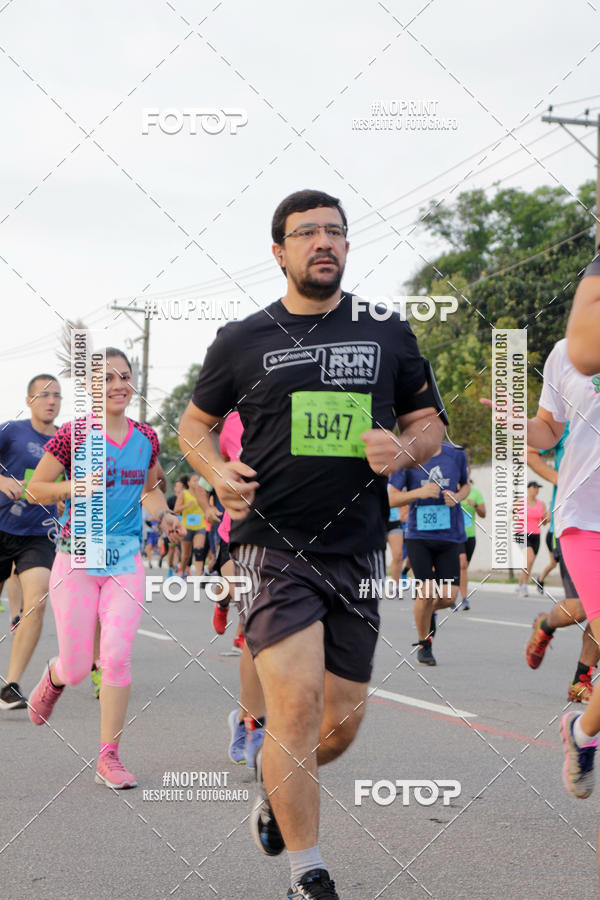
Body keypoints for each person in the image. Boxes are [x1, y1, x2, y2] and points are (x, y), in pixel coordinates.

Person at [178, 188, 445, 900]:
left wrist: (405, 447)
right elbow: (193, 428)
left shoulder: (388, 331)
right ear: (279, 251)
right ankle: (309, 875)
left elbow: (430, 426)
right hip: (272, 544)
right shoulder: (243, 339)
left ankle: (277, 790)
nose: (323, 242)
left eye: (335, 232)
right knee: (292, 709)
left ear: (348, 247)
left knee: (341, 725)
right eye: (307, 233)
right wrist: (215, 470)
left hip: (357, 550)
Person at [25, 348, 184, 788]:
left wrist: (164, 516)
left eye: (125, 376)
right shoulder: (73, 435)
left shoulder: (146, 437)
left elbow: (151, 491)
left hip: (126, 559)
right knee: (77, 667)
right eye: (108, 378)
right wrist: (73, 484)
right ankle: (56, 677)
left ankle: (108, 756)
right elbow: (35, 488)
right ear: (93, 388)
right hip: (77, 557)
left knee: (114, 656)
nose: (118, 385)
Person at [0, 374, 62, 709]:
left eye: (56, 395)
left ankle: (10, 685)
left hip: (38, 533)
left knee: (36, 603)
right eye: (43, 395)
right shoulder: (11, 431)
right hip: (1, 525)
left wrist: (64, 497)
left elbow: (66, 482)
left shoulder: (65, 441)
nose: (50, 401)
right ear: (29, 400)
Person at [389, 441, 469, 665]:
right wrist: (419, 492)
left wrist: (458, 496)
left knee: (447, 597)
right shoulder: (407, 456)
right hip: (419, 537)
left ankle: (423, 612)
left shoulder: (455, 454)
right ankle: (424, 645)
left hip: (449, 536)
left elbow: (466, 486)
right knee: (426, 592)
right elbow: (392, 498)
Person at [458, 473, 486, 610]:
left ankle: (451, 592)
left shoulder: (475, 493)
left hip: (470, 535)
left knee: (463, 568)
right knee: (462, 565)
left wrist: (474, 505)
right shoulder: (452, 490)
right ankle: (464, 599)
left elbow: (483, 513)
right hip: (455, 535)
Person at [515, 482, 546, 596]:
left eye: (538, 488)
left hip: (536, 535)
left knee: (530, 562)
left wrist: (547, 516)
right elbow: (511, 516)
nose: (536, 490)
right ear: (528, 489)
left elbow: (544, 522)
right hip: (522, 533)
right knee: (530, 558)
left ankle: (520, 584)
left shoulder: (541, 504)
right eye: (534, 487)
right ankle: (524, 586)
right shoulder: (521, 502)